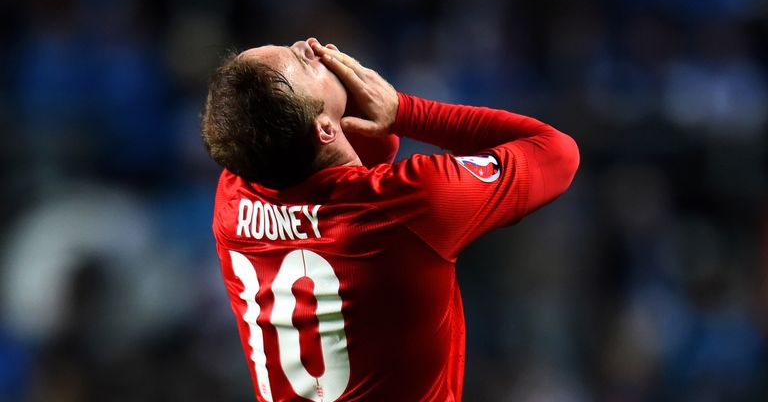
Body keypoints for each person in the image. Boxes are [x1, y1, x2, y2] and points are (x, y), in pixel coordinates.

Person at [201, 37, 579, 402]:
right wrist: (404, 111)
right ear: (325, 130)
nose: (309, 44)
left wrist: (344, 108)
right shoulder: (404, 203)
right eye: (302, 60)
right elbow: (557, 154)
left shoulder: (233, 199)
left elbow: (362, 154)